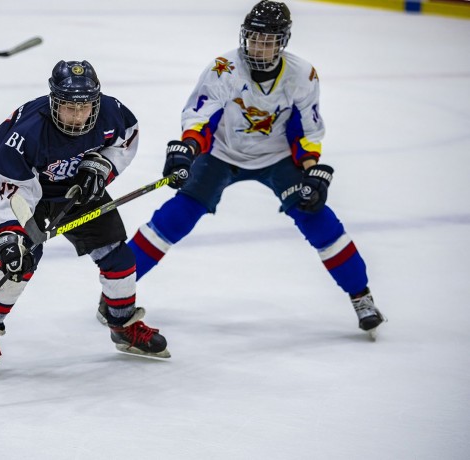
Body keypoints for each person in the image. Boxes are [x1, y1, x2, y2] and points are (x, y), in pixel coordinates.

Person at [121, 1, 386, 338]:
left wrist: (312, 170)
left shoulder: (302, 75)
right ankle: (117, 293)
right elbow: (201, 118)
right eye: (254, 38)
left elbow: (306, 131)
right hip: (221, 154)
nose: (259, 47)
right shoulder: (223, 68)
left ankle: (361, 296)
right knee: (176, 217)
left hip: (276, 159)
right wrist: (187, 149)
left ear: (282, 42)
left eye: (268, 40)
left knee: (318, 217)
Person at [0, 60, 170, 378]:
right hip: (29, 191)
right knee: (17, 263)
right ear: (54, 102)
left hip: (78, 189)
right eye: (68, 107)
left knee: (119, 256)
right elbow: (8, 190)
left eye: (84, 107)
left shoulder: (111, 112)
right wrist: (11, 235)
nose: (77, 115)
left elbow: (127, 136)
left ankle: (123, 324)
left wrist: (102, 167)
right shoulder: (26, 133)